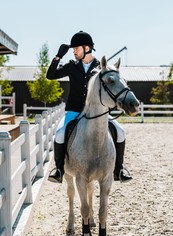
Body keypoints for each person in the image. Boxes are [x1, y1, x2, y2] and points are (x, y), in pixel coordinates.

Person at [46, 31, 132, 183]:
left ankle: (119, 169)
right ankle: (59, 169)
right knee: (59, 133)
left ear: (86, 48)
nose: (73, 52)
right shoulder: (71, 66)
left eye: (76, 49)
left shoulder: (101, 68)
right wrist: (58, 57)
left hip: (97, 112)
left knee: (120, 131)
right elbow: (50, 75)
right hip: (74, 111)